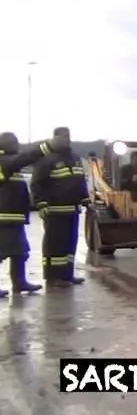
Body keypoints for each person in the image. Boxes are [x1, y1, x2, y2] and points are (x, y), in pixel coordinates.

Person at [0, 132, 65, 297]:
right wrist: (47, 146)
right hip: (4, 218)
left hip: (13, 218)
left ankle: (19, 283)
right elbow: (23, 159)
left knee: (20, 252)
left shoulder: (8, 162)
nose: (17, 145)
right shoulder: (4, 161)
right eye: (14, 142)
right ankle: (19, 282)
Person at [31, 127, 89, 287]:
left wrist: (85, 199)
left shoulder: (75, 158)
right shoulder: (46, 160)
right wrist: (41, 204)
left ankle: (67, 275)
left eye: (67, 136)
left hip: (72, 210)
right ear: (54, 138)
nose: (66, 139)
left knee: (70, 244)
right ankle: (53, 277)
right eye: (62, 136)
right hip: (54, 211)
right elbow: (37, 184)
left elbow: (80, 181)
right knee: (54, 246)